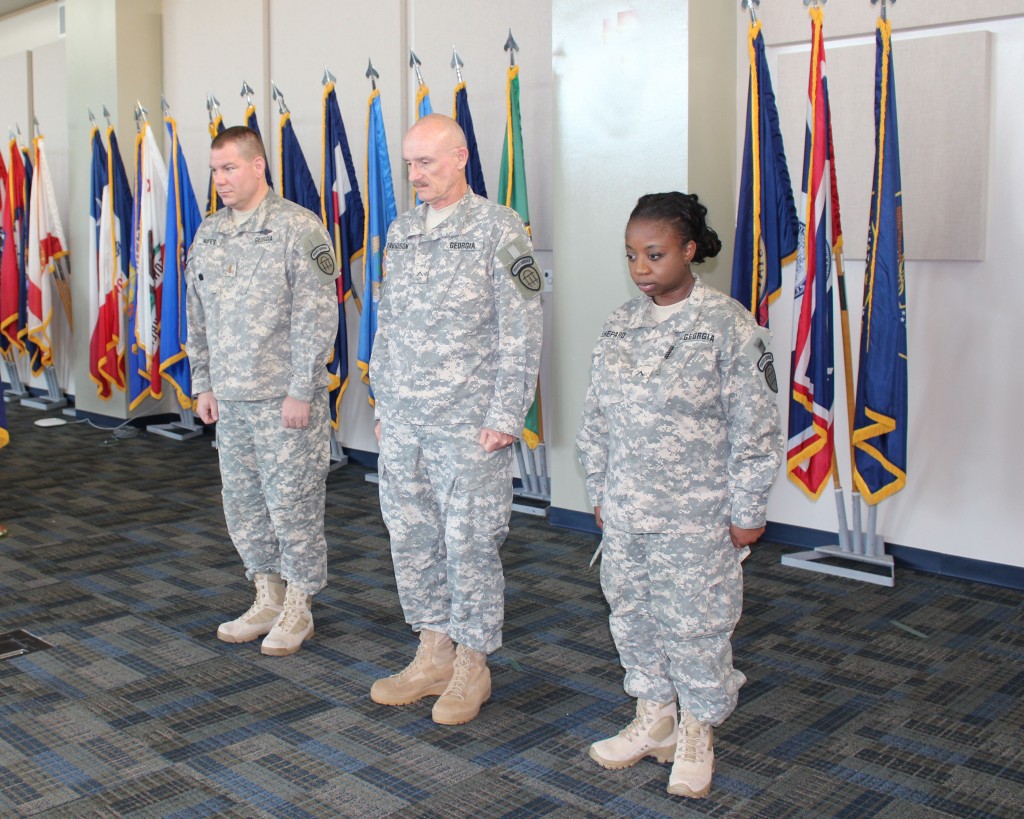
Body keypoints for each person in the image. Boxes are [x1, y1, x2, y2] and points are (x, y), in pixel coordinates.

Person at [576, 192, 783, 798]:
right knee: (633, 617)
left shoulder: (727, 325)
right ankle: (654, 717)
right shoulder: (621, 322)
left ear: (689, 251)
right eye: (632, 256)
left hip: (696, 515)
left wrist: (748, 511)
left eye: (655, 254)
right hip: (627, 509)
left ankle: (698, 729)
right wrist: (599, 490)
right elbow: (597, 416)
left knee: (696, 625)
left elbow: (755, 426)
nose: (641, 268)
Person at [368, 114, 543, 725]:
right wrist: (383, 406)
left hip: (470, 423)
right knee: (412, 538)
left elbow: (522, 330)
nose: (415, 173)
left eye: (428, 162)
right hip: (406, 421)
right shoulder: (402, 231)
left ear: (461, 157)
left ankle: (473, 662)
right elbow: (387, 327)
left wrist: (505, 415)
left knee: (469, 543)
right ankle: (432, 649)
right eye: (410, 163)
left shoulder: (499, 229)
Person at [185, 126, 339, 657]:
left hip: (284, 401)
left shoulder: (299, 228)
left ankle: (300, 604)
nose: (221, 179)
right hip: (230, 399)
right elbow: (197, 316)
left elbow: (317, 315)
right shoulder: (209, 233)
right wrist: (203, 382)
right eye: (214, 170)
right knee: (245, 505)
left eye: (229, 168)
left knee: (292, 504)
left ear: (258, 167)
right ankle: (267, 594)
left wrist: (302, 389)